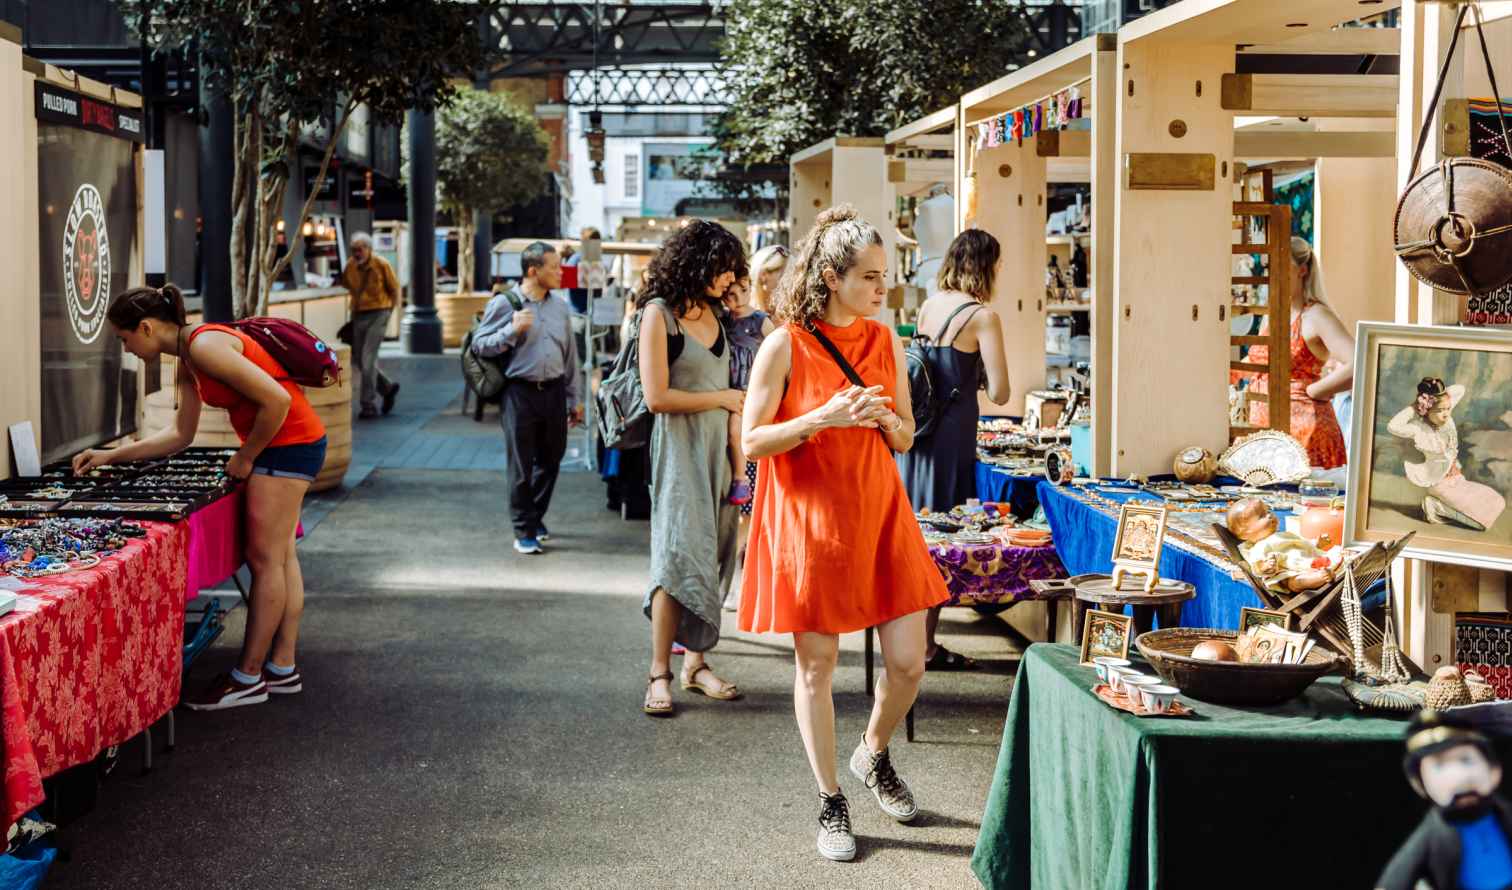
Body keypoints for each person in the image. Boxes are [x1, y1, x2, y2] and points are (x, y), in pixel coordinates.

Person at [739, 205, 950, 862]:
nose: (882, 287)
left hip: (880, 512)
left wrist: (888, 423)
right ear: (831, 276)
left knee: (911, 661)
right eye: (869, 276)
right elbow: (749, 440)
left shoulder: (887, 342)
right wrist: (823, 417)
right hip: (813, 519)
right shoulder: (785, 345)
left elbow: (908, 433)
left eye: (885, 275)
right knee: (818, 666)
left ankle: (873, 752)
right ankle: (830, 798)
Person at [75, 284, 327, 711]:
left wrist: (246, 457)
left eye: (125, 339)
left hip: (287, 448)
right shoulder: (190, 357)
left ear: (147, 327)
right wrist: (111, 455)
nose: (127, 349)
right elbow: (180, 435)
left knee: (266, 561)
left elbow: (278, 401)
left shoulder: (205, 346)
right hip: (292, 446)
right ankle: (281, 668)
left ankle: (247, 678)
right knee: (281, 558)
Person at [638, 220, 749, 718]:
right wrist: (722, 397)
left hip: (720, 456)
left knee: (717, 553)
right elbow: (656, 397)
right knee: (676, 558)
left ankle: (696, 665)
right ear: (697, 263)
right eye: (723, 269)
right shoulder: (658, 315)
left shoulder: (721, 315)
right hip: (680, 452)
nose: (730, 279)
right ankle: (659, 671)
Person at [897, 228, 1011, 671]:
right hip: (951, 439)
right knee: (942, 539)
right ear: (985, 266)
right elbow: (1001, 392)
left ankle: (910, 640)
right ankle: (924, 645)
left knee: (916, 536)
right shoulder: (982, 317)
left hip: (917, 434)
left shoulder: (930, 306)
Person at [472, 241, 583, 555]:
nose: (561, 272)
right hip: (519, 392)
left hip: (554, 389)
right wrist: (510, 330)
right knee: (521, 465)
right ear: (533, 271)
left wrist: (575, 398)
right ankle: (524, 530)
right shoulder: (506, 304)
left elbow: (570, 356)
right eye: (554, 267)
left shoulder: (560, 307)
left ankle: (533, 515)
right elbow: (480, 345)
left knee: (551, 459)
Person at [1242, 237, 1354, 469]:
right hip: (1265, 436)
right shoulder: (1271, 315)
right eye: (1269, 267)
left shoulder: (1316, 316)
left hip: (1307, 435)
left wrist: (1317, 389)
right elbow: (1257, 364)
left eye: (1282, 266)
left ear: (1302, 270)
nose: (1273, 274)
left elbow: (1361, 361)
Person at [1379, 709, 1512, 890]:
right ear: (1420, 785)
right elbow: (1395, 880)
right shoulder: (1432, 836)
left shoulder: (1504, 814)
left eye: (1466, 760)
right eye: (1439, 766)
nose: (1459, 777)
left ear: (1494, 769)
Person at [1388, 378, 1507, 531]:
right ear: (1426, 410)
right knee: (1481, 523)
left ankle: (1442, 507)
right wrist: (1416, 406)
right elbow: (1393, 426)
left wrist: (1439, 396)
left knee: (1497, 501)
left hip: (1458, 480)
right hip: (1441, 485)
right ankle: (1435, 506)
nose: (1445, 414)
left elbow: (1460, 389)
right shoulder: (1418, 429)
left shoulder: (1447, 421)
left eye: (1448, 409)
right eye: (1439, 411)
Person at [340, 232, 401, 419]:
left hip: (379, 313)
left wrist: (390, 312)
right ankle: (387, 388)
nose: (357, 253)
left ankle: (368, 404)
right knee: (359, 359)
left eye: (360, 249)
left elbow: (394, 288)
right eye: (354, 250)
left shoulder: (381, 264)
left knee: (367, 359)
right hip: (359, 315)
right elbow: (347, 286)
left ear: (368, 249)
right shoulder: (350, 266)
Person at [748, 244, 789, 315]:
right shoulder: (746, 315)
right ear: (763, 275)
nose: (790, 281)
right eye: (783, 275)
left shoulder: (790, 312)